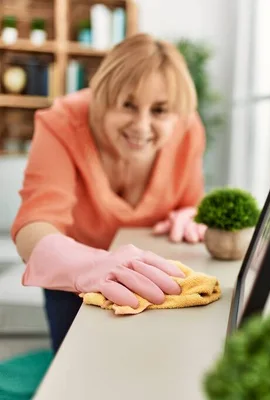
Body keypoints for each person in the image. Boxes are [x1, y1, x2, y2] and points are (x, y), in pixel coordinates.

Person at [10, 33, 209, 353]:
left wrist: (191, 214)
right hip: (74, 283)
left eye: (159, 111)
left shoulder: (187, 127)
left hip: (154, 277)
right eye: (127, 105)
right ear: (101, 98)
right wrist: (89, 266)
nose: (142, 127)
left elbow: (190, 202)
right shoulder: (61, 122)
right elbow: (33, 228)